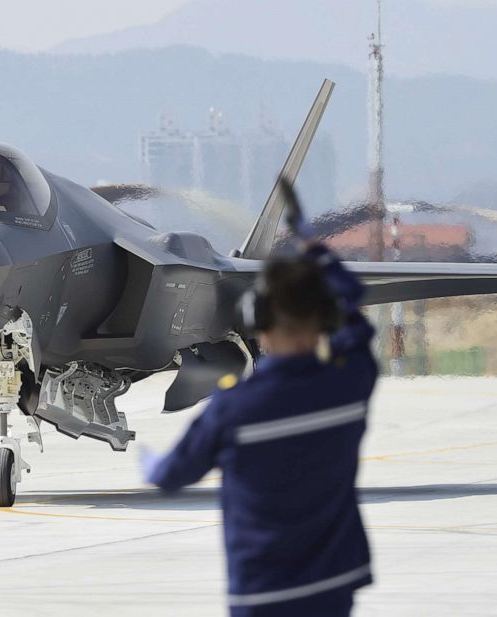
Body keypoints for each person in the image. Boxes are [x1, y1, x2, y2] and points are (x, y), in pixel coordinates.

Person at [142, 206, 377, 616]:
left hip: (263, 592)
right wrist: (323, 258)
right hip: (334, 582)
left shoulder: (234, 408)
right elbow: (359, 329)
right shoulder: (350, 382)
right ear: (324, 316)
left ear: (257, 318)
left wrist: (148, 462)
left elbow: (172, 475)